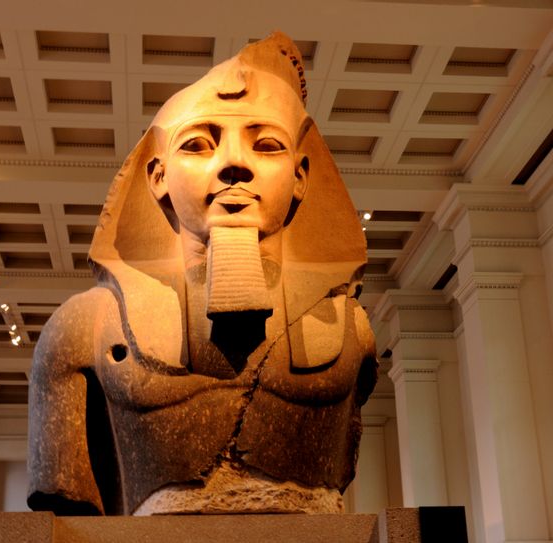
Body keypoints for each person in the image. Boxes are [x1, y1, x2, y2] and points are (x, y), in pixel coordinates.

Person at [27, 31, 377, 516]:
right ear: (157, 176)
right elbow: (66, 518)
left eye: (266, 145)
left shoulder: (353, 330)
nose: (234, 163)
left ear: (301, 176)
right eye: (197, 145)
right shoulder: (84, 329)